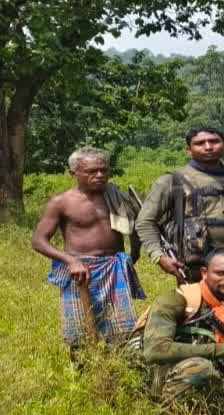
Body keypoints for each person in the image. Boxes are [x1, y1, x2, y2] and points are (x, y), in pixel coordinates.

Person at [32, 147, 145, 354]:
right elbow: (39, 241)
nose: (99, 175)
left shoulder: (117, 196)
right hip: (80, 271)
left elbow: (136, 226)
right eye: (91, 171)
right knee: (79, 333)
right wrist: (70, 261)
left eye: (103, 170)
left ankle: (118, 372)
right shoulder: (62, 202)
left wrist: (133, 255)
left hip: (114, 267)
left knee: (123, 331)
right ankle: (83, 377)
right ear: (73, 173)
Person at [140, 248, 224, 403]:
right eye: (220, 273)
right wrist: (223, 350)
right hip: (168, 378)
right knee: (200, 368)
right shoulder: (177, 300)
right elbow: (154, 350)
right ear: (204, 273)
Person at [135, 127, 224, 283]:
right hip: (195, 266)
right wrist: (159, 257)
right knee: (197, 306)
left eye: (214, 141)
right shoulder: (173, 181)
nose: (208, 147)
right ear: (189, 150)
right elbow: (145, 222)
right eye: (200, 143)